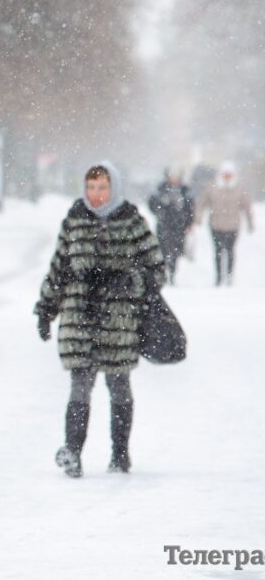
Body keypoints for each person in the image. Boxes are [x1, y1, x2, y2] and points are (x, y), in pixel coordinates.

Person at [34, 162, 165, 478]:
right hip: (78, 313)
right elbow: (59, 268)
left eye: (102, 188)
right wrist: (45, 308)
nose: (95, 195)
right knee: (80, 384)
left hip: (118, 318)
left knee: (118, 384)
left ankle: (120, 455)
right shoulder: (74, 221)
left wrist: (128, 280)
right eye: (91, 188)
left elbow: (156, 269)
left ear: (114, 188)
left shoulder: (132, 222)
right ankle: (73, 453)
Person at [193, 160, 254, 286]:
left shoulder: (239, 189)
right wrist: (198, 218)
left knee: (230, 251)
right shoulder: (212, 187)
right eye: (225, 174)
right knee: (218, 251)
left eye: (229, 174)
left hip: (233, 226)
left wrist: (250, 223)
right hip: (216, 225)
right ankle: (219, 277)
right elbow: (201, 203)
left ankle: (230, 276)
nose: (227, 177)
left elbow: (247, 207)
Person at [148, 169, 194, 284]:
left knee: (175, 251)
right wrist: (159, 211)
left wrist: (189, 223)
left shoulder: (185, 191)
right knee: (163, 250)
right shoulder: (160, 190)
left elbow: (190, 208)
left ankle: (172, 273)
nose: (174, 179)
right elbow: (152, 203)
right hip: (163, 225)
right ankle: (164, 273)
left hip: (179, 225)